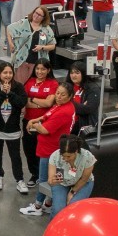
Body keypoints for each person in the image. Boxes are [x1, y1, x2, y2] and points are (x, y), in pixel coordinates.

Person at [21, 82, 76, 217]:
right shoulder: (60, 106)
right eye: (57, 93)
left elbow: (45, 129)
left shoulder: (64, 111)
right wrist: (35, 119)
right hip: (50, 148)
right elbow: (46, 115)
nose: (59, 96)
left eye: (63, 95)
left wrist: (34, 123)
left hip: (51, 151)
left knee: (44, 179)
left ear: (70, 96)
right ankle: (48, 204)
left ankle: (38, 205)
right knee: (51, 179)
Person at [0, 61, 28, 192]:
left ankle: (19, 179)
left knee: (15, 156)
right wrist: (3, 93)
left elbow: (21, 103)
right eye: (5, 72)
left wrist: (10, 93)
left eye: (10, 72)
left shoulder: (19, 87)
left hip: (13, 129)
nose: (8, 75)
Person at [48, 133, 96, 215]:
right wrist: (52, 181)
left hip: (83, 182)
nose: (65, 159)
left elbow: (84, 179)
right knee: (58, 210)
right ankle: (56, 226)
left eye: (69, 156)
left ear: (76, 152)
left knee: (74, 207)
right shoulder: (55, 156)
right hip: (62, 182)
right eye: (63, 156)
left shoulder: (87, 157)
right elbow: (50, 179)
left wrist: (72, 192)